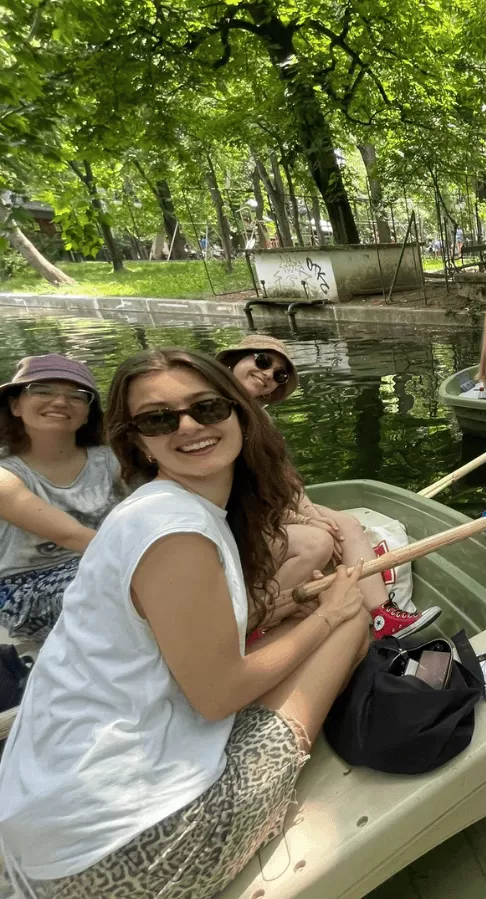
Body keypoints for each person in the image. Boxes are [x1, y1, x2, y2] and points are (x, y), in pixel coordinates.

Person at [0, 348, 371, 896]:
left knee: (303, 620)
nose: (190, 427)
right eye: (159, 419)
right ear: (138, 442)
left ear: (240, 412)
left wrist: (282, 608)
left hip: (42, 827)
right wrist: (331, 616)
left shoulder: (155, 508)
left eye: (207, 408)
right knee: (351, 622)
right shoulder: (176, 532)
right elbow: (219, 696)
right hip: (128, 854)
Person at [217, 336, 438, 639]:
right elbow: (243, 495)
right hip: (236, 517)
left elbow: (285, 482)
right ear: (235, 359)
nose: (268, 374)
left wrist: (309, 512)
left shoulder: (259, 419)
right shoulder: (214, 412)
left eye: (279, 374)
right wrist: (304, 520)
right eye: (262, 361)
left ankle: (382, 615)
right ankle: (253, 619)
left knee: (345, 524)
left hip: (262, 506)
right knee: (318, 542)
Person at [0, 355, 124, 641]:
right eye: (42, 391)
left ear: (87, 413)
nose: (60, 402)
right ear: (15, 405)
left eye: (77, 396)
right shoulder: (6, 474)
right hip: (26, 586)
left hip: (104, 566)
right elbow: (71, 535)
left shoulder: (110, 460)